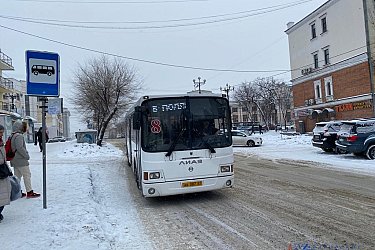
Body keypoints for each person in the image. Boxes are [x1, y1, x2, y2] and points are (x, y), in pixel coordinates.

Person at [10, 120, 40, 198]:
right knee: (27, 175)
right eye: (23, 127)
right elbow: (20, 147)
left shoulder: (12, 135)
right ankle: (29, 192)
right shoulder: (19, 136)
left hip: (15, 159)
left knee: (17, 177)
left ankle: (17, 192)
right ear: (20, 127)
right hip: (21, 160)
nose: (25, 128)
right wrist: (26, 155)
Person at [0, 124, 11, 222]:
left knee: (4, 193)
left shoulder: (1, 142)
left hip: (2, 170)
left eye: (2, 133)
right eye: (0, 132)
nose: (1, 135)